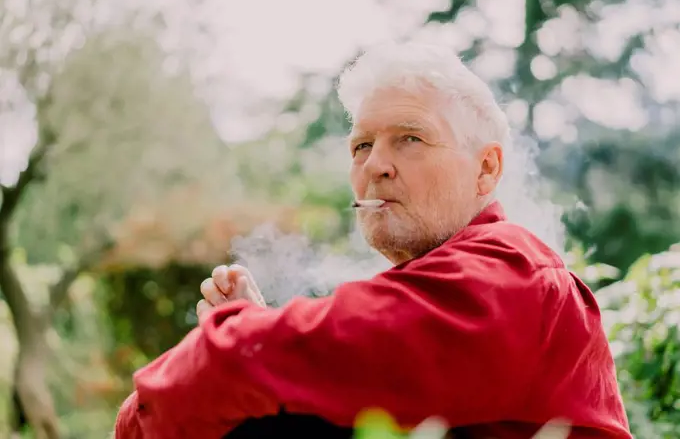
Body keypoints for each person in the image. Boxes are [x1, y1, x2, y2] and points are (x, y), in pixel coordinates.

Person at [114, 42, 632, 439]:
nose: (374, 167)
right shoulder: (447, 284)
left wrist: (248, 338)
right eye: (361, 145)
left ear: (486, 168)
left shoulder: (511, 272)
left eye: (410, 138)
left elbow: (221, 367)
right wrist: (267, 346)